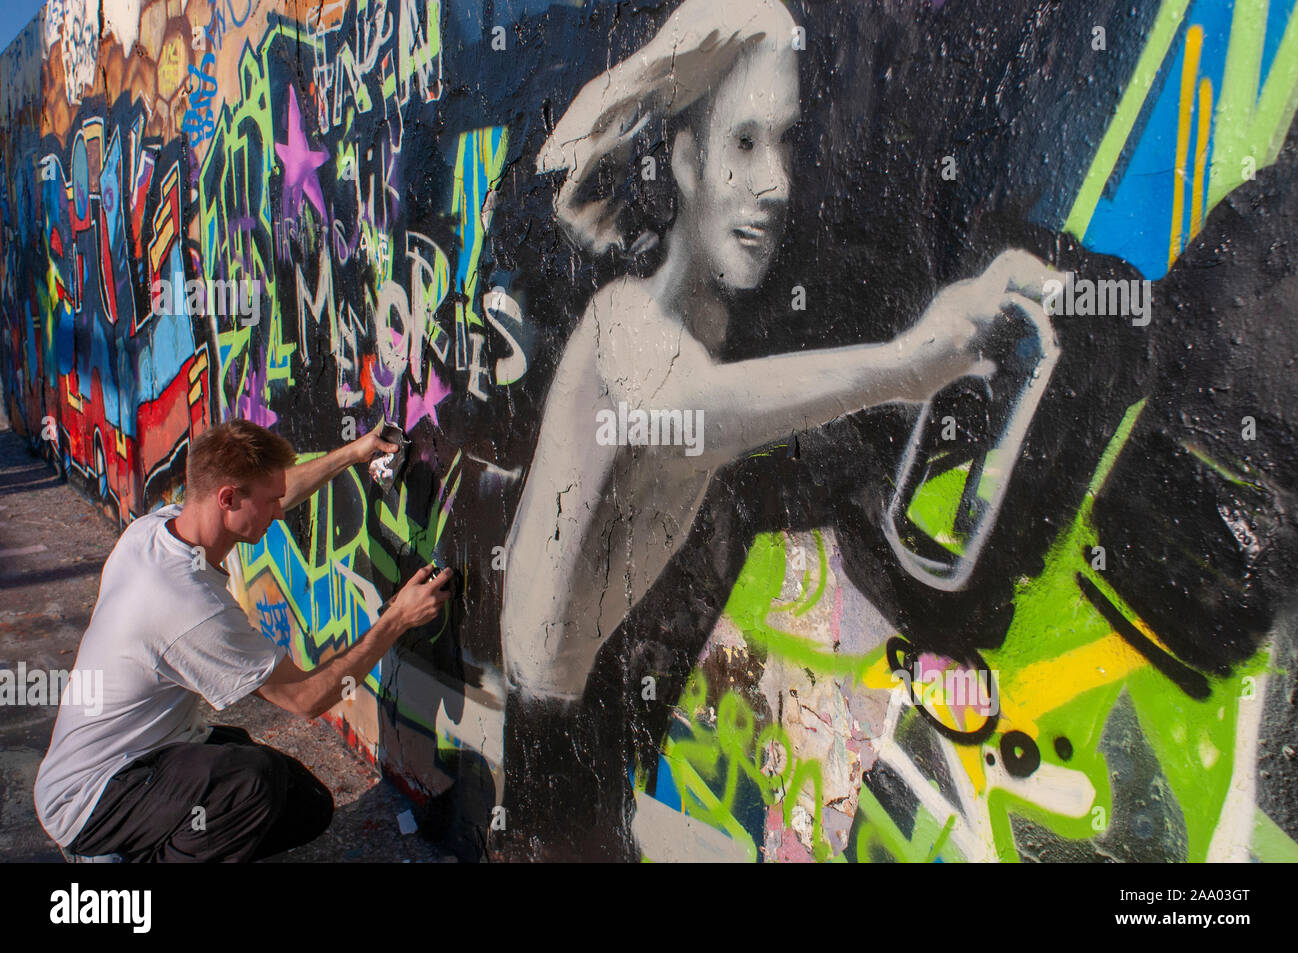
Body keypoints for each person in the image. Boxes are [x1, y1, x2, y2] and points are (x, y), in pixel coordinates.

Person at [495, 0, 1066, 857]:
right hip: (554, 737)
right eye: (745, 143)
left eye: (789, 143)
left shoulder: (715, 336)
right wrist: (907, 365)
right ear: (685, 158)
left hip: (594, 715)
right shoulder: (623, 323)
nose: (777, 184)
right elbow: (696, 417)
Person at [33, 419, 455, 862]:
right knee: (252, 785)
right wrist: (397, 619)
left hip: (137, 757)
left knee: (303, 804)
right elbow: (307, 698)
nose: (279, 510)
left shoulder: (157, 530)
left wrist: (354, 453)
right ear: (228, 499)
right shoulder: (188, 606)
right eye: (271, 501)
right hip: (90, 800)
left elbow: (270, 493)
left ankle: (150, 842)